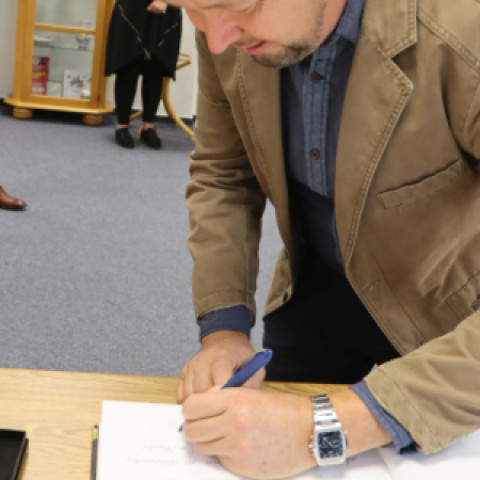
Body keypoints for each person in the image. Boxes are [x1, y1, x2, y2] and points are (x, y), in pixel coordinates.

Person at [173, 0, 480, 479]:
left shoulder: (465, 34)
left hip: (452, 308)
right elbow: (224, 176)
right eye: (193, 11)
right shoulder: (229, 31)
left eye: (242, 6)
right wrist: (223, 329)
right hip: (316, 280)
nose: (215, 41)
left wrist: (323, 426)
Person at [105, 0, 181, 149]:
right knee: (128, 63)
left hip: (165, 10)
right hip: (131, 7)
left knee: (156, 66)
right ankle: (122, 127)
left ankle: (148, 127)